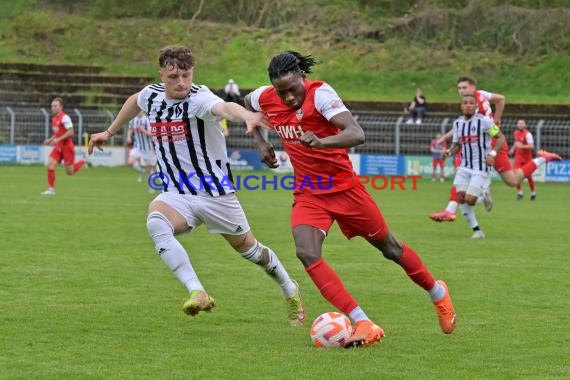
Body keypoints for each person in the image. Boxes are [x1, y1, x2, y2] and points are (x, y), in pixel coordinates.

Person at [245, 51, 456, 348]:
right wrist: (261, 141)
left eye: (293, 89)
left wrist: (322, 142)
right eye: (282, 92)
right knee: (306, 252)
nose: (289, 97)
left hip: (346, 191)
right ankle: (363, 322)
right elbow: (247, 104)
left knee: (391, 248)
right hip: (308, 193)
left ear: (302, 78)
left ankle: (438, 294)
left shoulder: (321, 94)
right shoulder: (265, 97)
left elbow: (356, 133)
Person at [88, 45, 305, 325]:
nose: (180, 82)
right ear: (162, 75)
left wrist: (247, 115)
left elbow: (223, 107)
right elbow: (135, 100)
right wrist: (109, 131)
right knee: (156, 222)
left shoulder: (199, 99)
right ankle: (197, 291)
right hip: (176, 193)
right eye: (173, 77)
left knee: (252, 252)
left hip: (215, 194)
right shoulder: (152, 95)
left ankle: (289, 289)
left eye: (186, 75)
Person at [429, 76, 561, 222]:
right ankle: (452, 209)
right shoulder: (482, 94)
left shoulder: (475, 104)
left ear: (473, 88)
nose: (461, 91)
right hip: (486, 139)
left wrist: (447, 136)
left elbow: (470, 124)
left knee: (505, 179)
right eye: (459, 88)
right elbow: (501, 99)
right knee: (510, 180)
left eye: (464, 88)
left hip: (490, 142)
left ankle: (468, 199)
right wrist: (497, 119)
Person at [444, 94, 506, 238]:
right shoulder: (457, 124)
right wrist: (449, 152)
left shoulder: (484, 121)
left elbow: (501, 138)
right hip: (464, 166)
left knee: (470, 200)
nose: (468, 105)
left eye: (471, 103)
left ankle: (484, 193)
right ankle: (477, 231)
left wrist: (493, 154)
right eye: (465, 103)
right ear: (461, 106)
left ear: (476, 106)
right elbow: (457, 145)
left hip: (480, 166)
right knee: (461, 197)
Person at [41, 97, 86, 195]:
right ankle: (51, 189)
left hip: (67, 147)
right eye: (52, 106)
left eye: (55, 106)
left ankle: (83, 161)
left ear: (61, 107)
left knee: (70, 172)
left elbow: (70, 132)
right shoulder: (54, 118)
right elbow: (58, 133)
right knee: (50, 164)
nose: (53, 108)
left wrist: (57, 140)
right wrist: (50, 139)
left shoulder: (65, 118)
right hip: (59, 146)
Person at [127, 111, 156, 187]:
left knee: (151, 169)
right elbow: (130, 128)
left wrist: (142, 129)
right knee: (130, 163)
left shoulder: (147, 120)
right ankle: (142, 171)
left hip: (148, 148)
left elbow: (152, 134)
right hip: (137, 147)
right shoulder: (133, 120)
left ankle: (152, 187)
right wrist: (129, 137)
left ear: (142, 110)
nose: (137, 112)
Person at [509, 120, 536, 200]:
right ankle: (520, 192)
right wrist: (513, 149)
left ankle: (533, 192)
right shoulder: (516, 133)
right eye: (519, 123)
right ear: (517, 125)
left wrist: (521, 146)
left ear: (525, 125)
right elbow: (516, 142)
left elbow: (531, 146)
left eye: (522, 123)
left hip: (527, 159)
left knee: (529, 176)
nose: (520, 125)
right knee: (516, 175)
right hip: (518, 157)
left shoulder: (528, 134)